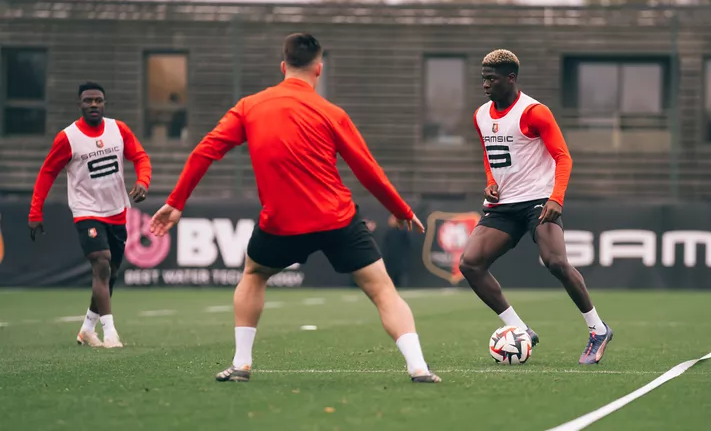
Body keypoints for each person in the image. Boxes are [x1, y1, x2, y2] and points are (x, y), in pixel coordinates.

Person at [149, 33, 440, 384]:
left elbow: (204, 151)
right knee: (382, 290)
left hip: (281, 224)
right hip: (337, 220)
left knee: (254, 274)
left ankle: (241, 364)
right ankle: (419, 368)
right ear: (319, 68)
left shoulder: (249, 107)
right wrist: (401, 209)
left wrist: (175, 203)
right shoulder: (331, 113)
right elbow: (367, 169)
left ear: (283, 66)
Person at [461, 50, 613, 365]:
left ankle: (598, 329)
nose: (486, 84)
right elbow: (491, 156)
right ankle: (518, 328)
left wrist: (556, 198)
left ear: (511, 78)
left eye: (492, 78)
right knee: (470, 263)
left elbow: (563, 157)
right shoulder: (480, 115)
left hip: (538, 201)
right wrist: (490, 181)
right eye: (483, 78)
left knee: (555, 262)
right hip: (503, 205)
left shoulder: (534, 112)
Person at [29, 82, 151, 349]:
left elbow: (141, 156)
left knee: (112, 273)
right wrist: (35, 210)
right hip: (87, 211)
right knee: (102, 264)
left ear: (104, 103)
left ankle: (86, 328)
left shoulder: (119, 130)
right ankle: (110, 333)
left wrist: (143, 180)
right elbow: (47, 172)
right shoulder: (68, 137)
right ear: (79, 105)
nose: (93, 105)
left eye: (98, 100)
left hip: (117, 210)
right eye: (88, 101)